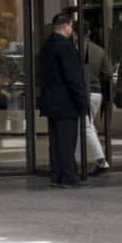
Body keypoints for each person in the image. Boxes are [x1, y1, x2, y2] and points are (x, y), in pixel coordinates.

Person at [36, 13, 90, 188]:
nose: (71, 29)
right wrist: (82, 100)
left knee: (55, 141)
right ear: (66, 26)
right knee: (67, 141)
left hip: (50, 101)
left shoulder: (46, 46)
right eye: (71, 26)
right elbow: (73, 77)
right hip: (66, 102)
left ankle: (56, 175)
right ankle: (69, 176)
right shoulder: (66, 47)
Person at [78, 24, 112, 176]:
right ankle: (76, 161)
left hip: (83, 92)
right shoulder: (99, 50)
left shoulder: (75, 48)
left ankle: (101, 161)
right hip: (97, 92)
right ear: (89, 32)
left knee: (86, 126)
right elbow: (108, 73)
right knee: (84, 126)